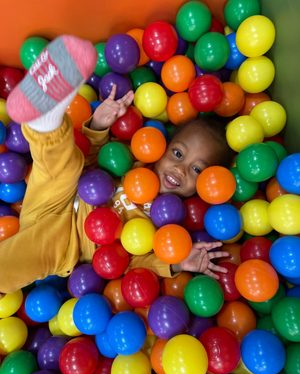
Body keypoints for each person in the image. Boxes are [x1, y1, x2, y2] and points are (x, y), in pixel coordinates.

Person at [1, 34, 232, 294]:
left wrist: (177, 263)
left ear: (208, 186)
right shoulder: (133, 162)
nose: (180, 169)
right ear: (163, 147)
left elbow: (134, 261)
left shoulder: (169, 226)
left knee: (17, 262)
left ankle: (44, 119)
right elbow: (90, 159)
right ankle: (44, 120)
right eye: (178, 154)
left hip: (69, 242)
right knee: (67, 166)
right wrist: (99, 126)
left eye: (197, 169)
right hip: (59, 194)